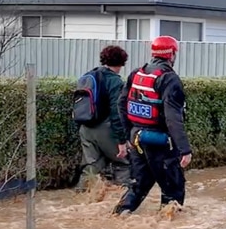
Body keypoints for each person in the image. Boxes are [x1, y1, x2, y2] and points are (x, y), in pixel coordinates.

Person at [112, 35, 192, 215]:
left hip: (137, 140)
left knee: (138, 186)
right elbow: (173, 118)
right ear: (172, 54)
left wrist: (128, 135)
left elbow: (121, 104)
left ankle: (119, 216)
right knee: (173, 190)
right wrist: (185, 149)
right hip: (161, 144)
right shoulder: (169, 79)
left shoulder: (136, 73)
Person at [73, 45, 130, 191]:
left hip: (85, 128)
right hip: (105, 129)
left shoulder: (88, 76)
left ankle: (81, 199)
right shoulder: (115, 81)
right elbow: (116, 112)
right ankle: (119, 202)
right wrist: (122, 141)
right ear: (122, 62)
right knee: (123, 163)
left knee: (91, 166)